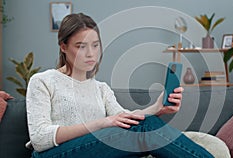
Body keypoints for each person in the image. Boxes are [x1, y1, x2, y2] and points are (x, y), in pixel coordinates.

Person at [26, 13, 214, 158]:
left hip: (91, 150)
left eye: (95, 45)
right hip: (53, 154)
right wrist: (101, 123)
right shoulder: (43, 81)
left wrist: (157, 108)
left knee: (144, 125)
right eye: (81, 46)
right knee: (145, 128)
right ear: (63, 47)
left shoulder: (101, 89)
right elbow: (40, 139)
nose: (91, 54)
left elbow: (127, 121)